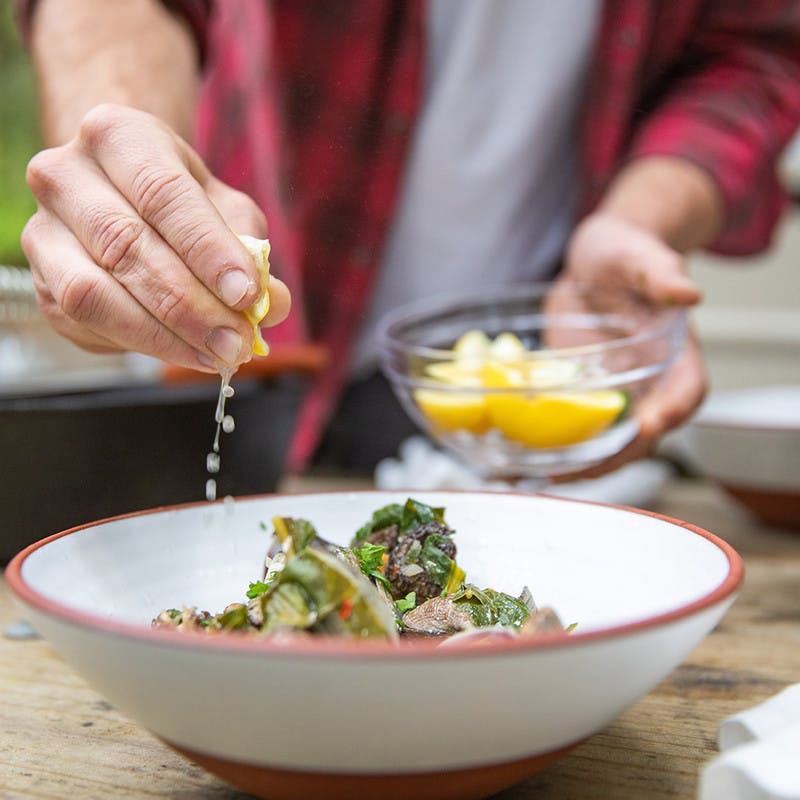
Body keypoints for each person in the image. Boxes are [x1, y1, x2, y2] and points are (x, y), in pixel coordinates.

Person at [15, 0, 800, 476]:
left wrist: (643, 219)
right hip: (267, 359)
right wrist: (121, 162)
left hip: (540, 355)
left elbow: (753, 49)